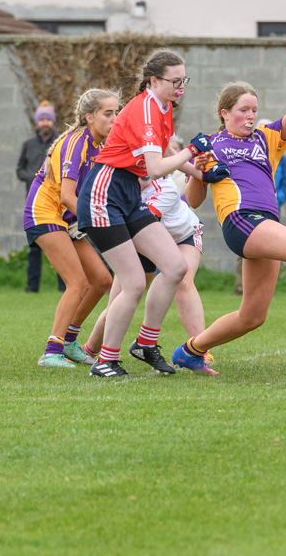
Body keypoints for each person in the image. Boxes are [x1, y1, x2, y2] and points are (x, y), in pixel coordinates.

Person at [173, 38, 286, 373]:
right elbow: (193, 201)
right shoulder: (211, 144)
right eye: (243, 111)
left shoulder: (266, 138)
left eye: (254, 110)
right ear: (225, 113)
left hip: (264, 224)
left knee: (252, 317)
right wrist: (200, 171)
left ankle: (190, 350)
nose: (250, 116)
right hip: (240, 222)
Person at [77, 49, 228, 378]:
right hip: (105, 193)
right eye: (175, 81)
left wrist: (201, 173)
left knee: (175, 268)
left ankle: (145, 344)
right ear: (154, 80)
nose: (181, 86)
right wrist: (194, 149)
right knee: (132, 283)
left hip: (129, 192)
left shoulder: (163, 107)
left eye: (183, 80)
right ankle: (105, 360)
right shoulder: (146, 107)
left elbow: (161, 156)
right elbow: (156, 168)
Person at [83, 137, 217, 374]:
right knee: (122, 298)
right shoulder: (124, 189)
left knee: (181, 279)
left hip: (182, 236)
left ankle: (199, 349)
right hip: (144, 243)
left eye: (146, 171)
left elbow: (143, 224)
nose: (141, 175)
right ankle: (91, 350)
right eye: (137, 171)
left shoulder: (164, 189)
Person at [23, 89, 119, 367]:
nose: (115, 119)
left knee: (102, 281)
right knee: (77, 282)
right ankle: (51, 352)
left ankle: (68, 341)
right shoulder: (77, 142)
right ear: (89, 117)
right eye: (108, 113)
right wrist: (100, 222)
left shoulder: (99, 147)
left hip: (66, 217)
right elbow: (66, 196)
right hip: (44, 213)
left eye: (116, 113)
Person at [233, 128, 286, 296]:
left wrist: (276, 199)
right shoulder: (241, 154)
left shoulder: (281, 158)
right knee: (247, 252)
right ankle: (241, 287)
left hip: (270, 208)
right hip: (246, 212)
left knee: (272, 250)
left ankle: (265, 289)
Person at [17, 101, 64, 294]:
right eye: (42, 119)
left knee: (62, 245)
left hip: (56, 201)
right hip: (33, 203)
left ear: (53, 122)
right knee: (34, 248)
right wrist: (33, 177)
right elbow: (19, 170)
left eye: (48, 119)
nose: (45, 123)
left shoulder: (60, 142)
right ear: (37, 123)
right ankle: (32, 286)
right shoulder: (28, 145)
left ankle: (64, 286)